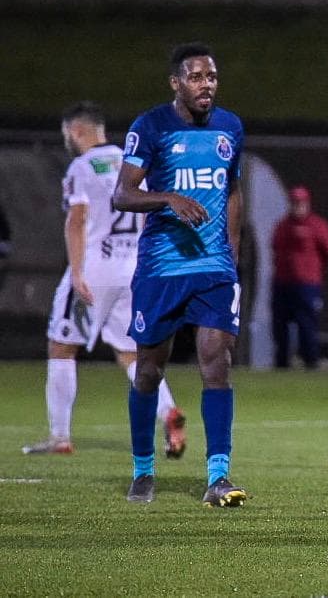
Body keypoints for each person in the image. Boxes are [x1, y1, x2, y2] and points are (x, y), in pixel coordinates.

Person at [113, 42, 247, 507]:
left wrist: (232, 254)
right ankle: (142, 470)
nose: (206, 85)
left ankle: (218, 476)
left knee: (217, 361)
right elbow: (122, 195)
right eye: (196, 77)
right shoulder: (151, 126)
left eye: (211, 76)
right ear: (176, 83)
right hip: (162, 268)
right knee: (149, 371)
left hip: (213, 269)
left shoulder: (230, 127)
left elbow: (232, 190)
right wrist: (168, 198)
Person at [22, 102, 185, 458]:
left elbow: (77, 219)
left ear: (76, 131)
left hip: (95, 267)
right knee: (131, 352)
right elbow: (149, 216)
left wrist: (77, 271)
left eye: (67, 134)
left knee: (62, 347)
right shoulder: (132, 162)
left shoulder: (82, 167)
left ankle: (60, 437)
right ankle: (169, 411)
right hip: (131, 269)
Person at [271, 185, 328, 369]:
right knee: (280, 324)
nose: (297, 206)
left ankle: (310, 361)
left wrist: (312, 269)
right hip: (283, 282)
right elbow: (275, 248)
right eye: (294, 203)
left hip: (307, 284)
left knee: (307, 323)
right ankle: (281, 363)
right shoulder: (282, 226)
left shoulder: (318, 225)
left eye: (300, 203)